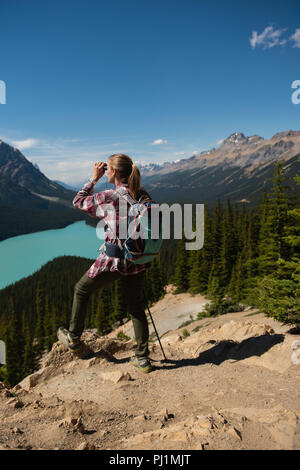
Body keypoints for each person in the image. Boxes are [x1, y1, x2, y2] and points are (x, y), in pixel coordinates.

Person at [57, 154, 153, 373]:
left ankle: (74, 339)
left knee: (81, 290)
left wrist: (93, 179)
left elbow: (79, 202)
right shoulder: (142, 194)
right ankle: (142, 358)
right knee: (136, 306)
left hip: (115, 260)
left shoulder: (111, 195)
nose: (105, 171)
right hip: (138, 259)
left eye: (107, 168)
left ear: (114, 173)